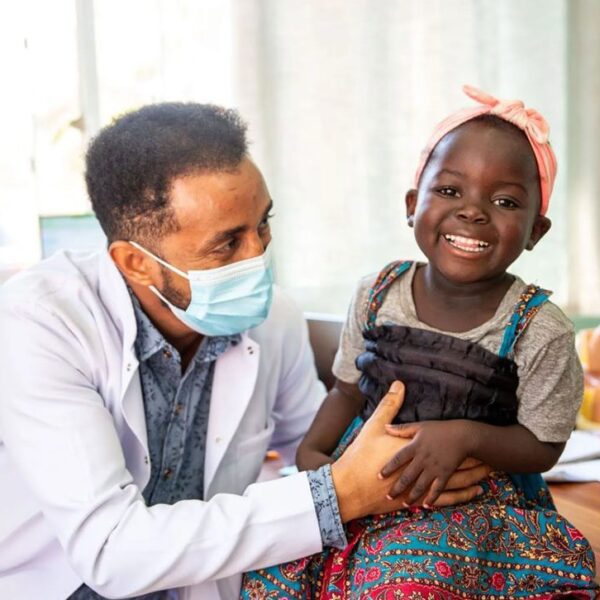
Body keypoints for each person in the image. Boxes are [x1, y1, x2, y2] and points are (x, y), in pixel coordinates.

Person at [0, 103, 487, 600]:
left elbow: (322, 450)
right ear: (135, 263)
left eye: (262, 224)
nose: (258, 257)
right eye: (227, 243)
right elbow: (111, 552)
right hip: (58, 584)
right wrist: (334, 497)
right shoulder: (41, 323)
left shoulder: (272, 318)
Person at [241, 86, 599, 598]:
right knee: (268, 569)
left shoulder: (540, 327)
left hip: (469, 499)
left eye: (504, 201)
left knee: (408, 581)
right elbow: (347, 390)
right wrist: (314, 453)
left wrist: (466, 436)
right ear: (413, 205)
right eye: (450, 192)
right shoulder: (377, 292)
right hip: (366, 471)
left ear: (535, 231)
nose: (472, 212)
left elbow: (543, 446)